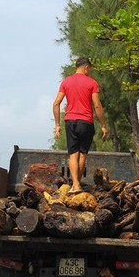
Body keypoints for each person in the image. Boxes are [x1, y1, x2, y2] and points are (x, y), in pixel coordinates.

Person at [52, 57, 108, 194]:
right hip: (86, 122)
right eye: (90, 69)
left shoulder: (66, 82)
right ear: (86, 67)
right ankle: (76, 185)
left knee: (72, 155)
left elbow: (56, 104)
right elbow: (97, 105)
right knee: (82, 155)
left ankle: (75, 185)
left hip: (70, 121)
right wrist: (103, 125)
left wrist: (57, 124)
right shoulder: (92, 83)